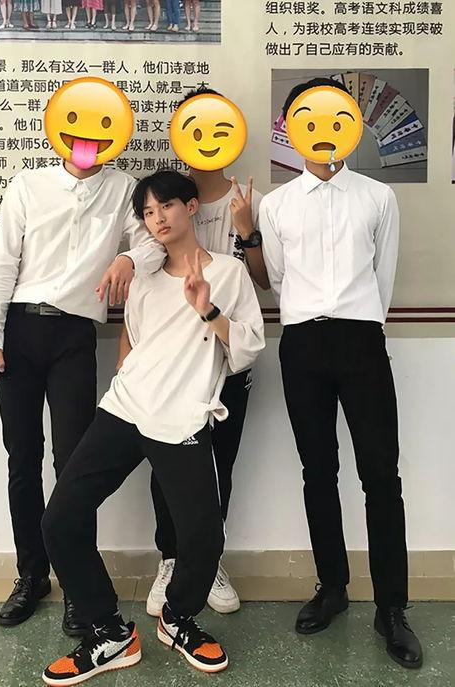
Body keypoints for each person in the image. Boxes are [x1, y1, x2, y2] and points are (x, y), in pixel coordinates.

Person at [40, 170, 265, 684]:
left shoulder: (229, 274)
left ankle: (178, 618)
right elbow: (138, 340)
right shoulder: (143, 277)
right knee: (60, 520)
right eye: (147, 212)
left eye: (166, 206)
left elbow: (248, 349)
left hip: (183, 417)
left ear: (191, 207)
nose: (157, 218)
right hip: (125, 409)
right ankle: (109, 632)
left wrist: (207, 309)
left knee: (203, 540)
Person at [259, 76, 423, 670]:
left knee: (381, 476)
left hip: (361, 339)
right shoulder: (275, 205)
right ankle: (332, 587)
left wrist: (360, 323)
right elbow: (279, 279)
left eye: (336, 117)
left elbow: (384, 276)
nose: (324, 129)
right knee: (318, 470)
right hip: (302, 343)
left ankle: (392, 608)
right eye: (309, 117)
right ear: (291, 126)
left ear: (351, 124)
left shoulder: (378, 197)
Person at [0, 154, 164, 634]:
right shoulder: (28, 184)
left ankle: (79, 588)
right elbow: (1, 262)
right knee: (22, 458)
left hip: (75, 335)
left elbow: (154, 246)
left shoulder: (123, 188)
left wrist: (127, 257)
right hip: (19, 331)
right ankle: (31, 576)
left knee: (73, 464)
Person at [145, 87, 269, 617]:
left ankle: (208, 559)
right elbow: (143, 255)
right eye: (194, 128)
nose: (207, 139)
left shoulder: (251, 200)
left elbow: (264, 282)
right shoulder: (166, 198)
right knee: (167, 460)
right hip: (176, 361)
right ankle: (171, 558)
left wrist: (247, 232)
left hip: (227, 353)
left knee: (220, 464)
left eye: (219, 128)